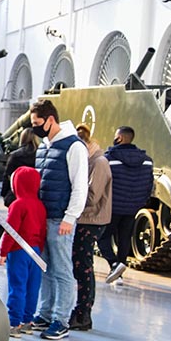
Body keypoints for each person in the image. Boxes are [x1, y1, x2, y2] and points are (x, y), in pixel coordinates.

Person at [26, 98, 87, 341]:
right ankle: (46, 312)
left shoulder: (74, 147)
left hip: (60, 219)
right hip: (42, 219)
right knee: (45, 268)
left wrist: (70, 218)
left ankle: (61, 320)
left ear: (50, 120)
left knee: (62, 270)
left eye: (37, 123)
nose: (35, 127)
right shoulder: (44, 147)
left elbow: (80, 186)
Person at [99, 126, 154, 283]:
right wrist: (140, 201)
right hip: (132, 207)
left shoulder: (109, 159)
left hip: (113, 207)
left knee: (103, 238)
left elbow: (102, 183)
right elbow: (149, 184)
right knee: (124, 239)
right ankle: (119, 272)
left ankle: (114, 264)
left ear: (120, 138)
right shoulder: (147, 161)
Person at [0, 166, 46, 338]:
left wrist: (4, 252)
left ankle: (14, 323)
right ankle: (27, 322)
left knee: (17, 287)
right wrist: (39, 250)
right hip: (35, 252)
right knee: (33, 287)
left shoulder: (17, 205)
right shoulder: (40, 206)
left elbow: (11, 231)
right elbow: (43, 232)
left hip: (18, 251)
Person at [69, 135, 111, 331]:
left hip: (91, 220)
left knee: (84, 267)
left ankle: (83, 313)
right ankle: (80, 311)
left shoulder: (99, 162)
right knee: (80, 266)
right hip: (86, 219)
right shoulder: (91, 161)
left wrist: (71, 203)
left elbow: (92, 196)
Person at [1, 129, 37, 207]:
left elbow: (7, 175)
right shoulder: (40, 155)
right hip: (34, 196)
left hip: (16, 195)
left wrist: (4, 193)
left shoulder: (15, 155)